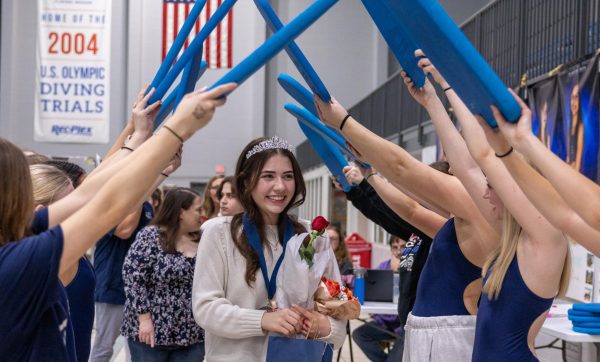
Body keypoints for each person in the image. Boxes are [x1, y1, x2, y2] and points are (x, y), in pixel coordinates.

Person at [0, 82, 236, 361]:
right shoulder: (16, 262)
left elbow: (91, 191)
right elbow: (106, 207)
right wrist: (176, 130)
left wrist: (138, 137)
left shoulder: (22, 233)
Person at [315, 55, 500, 360]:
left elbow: (404, 168)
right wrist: (432, 99)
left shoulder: (480, 208)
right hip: (428, 332)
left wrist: (345, 123)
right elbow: (412, 210)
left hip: (450, 338)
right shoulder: (462, 218)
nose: (451, 154)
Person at [192, 136, 346, 361]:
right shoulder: (219, 232)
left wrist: (324, 326)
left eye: (288, 176)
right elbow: (206, 308)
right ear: (245, 182)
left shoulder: (311, 236)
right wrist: (263, 320)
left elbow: (338, 309)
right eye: (268, 176)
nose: (280, 186)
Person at [90, 87, 181, 362]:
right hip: (111, 286)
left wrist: (161, 170)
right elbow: (124, 227)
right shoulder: (111, 202)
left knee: (134, 350)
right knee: (103, 349)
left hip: (136, 290)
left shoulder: (142, 201)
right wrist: (136, 133)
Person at [121, 187, 205, 361]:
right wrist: (144, 319)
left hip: (192, 334)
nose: (202, 214)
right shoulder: (150, 236)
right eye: (198, 209)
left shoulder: (203, 238)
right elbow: (133, 278)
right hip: (151, 333)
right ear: (181, 212)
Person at [29, 163, 94, 362]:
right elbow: (110, 204)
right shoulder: (40, 257)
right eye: (70, 206)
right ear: (41, 212)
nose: (81, 211)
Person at [352, 235, 405, 362]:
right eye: (395, 247)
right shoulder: (383, 266)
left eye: (403, 247)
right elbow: (371, 289)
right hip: (384, 323)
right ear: (391, 249)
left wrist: (400, 271)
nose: (398, 251)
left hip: (404, 326)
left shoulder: (413, 269)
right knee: (359, 334)